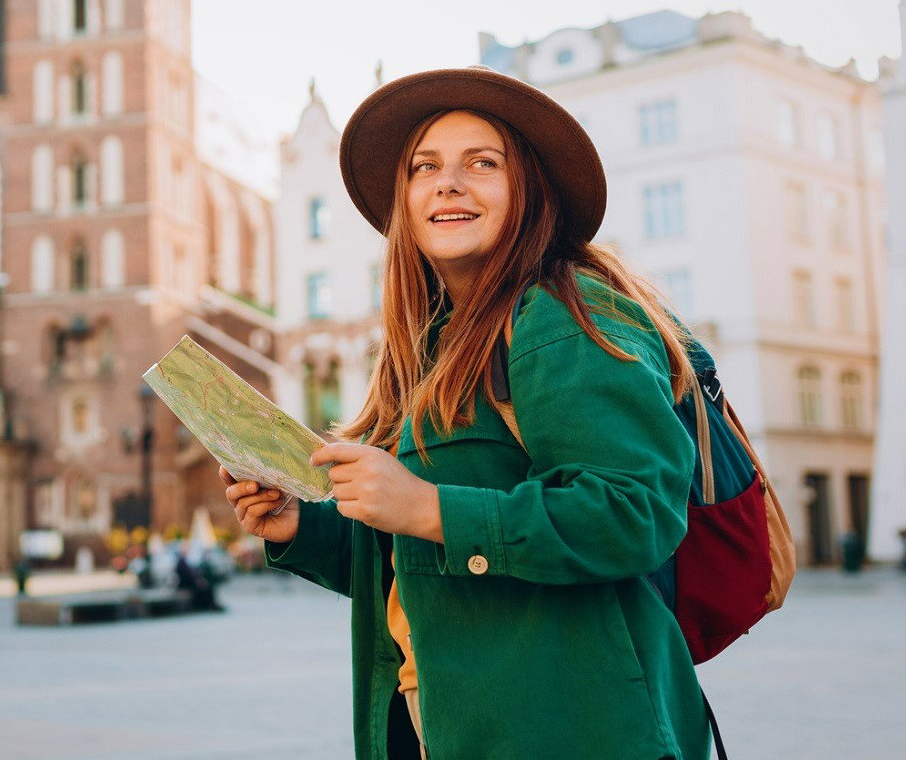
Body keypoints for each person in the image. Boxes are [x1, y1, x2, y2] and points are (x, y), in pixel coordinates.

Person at [223, 67, 710, 760]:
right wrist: (301, 525)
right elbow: (419, 560)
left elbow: (638, 512)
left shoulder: (562, 314)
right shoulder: (435, 340)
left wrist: (428, 507)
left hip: (574, 725)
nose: (447, 182)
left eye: (481, 163)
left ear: (527, 189)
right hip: (451, 720)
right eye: (425, 167)